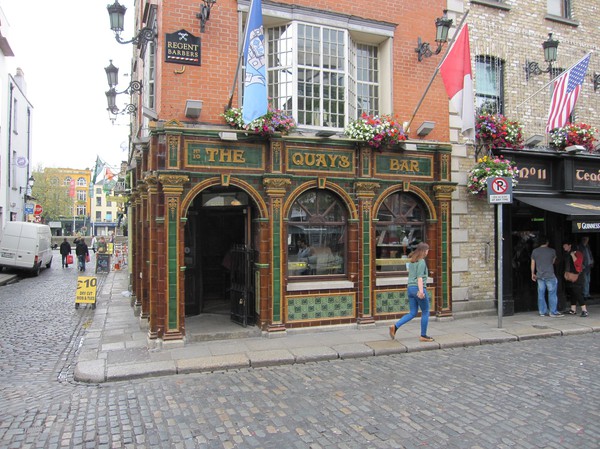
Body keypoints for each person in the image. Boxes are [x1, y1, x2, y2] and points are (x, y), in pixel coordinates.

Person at [389, 242, 434, 342]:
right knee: (425, 311)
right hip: (418, 288)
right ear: (423, 251)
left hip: (410, 288)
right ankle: (423, 335)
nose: (428, 252)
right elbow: (419, 278)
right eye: (427, 250)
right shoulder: (421, 262)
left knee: (413, 312)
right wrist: (421, 291)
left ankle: (395, 326)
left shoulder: (413, 261)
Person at [530, 236, 562, 317]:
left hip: (539, 275)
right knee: (552, 293)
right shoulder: (552, 251)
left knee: (541, 294)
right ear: (547, 242)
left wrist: (532, 273)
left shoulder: (535, 251)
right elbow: (553, 261)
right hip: (550, 275)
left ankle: (542, 311)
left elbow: (533, 263)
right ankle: (552, 311)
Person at [563, 239, 589, 317]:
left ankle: (584, 310)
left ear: (570, 245)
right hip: (570, 275)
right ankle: (573, 309)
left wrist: (573, 255)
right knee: (572, 292)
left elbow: (578, 264)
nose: (564, 247)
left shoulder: (577, 253)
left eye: (565, 245)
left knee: (577, 292)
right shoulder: (566, 254)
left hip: (577, 276)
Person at [578, 236, 594, 301]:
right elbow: (580, 256)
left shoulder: (587, 246)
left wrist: (592, 261)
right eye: (586, 240)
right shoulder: (580, 247)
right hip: (584, 266)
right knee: (585, 281)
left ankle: (587, 294)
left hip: (588, 265)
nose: (587, 241)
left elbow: (590, 254)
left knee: (588, 280)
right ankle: (585, 294)